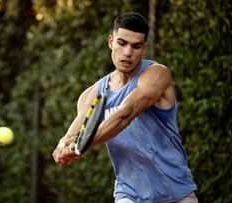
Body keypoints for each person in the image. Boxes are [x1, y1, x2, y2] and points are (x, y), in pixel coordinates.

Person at [52, 12, 198, 203]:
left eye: (136, 46)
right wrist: (62, 147)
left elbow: (125, 115)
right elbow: (75, 131)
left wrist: (80, 145)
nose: (128, 52)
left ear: (144, 48)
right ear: (111, 42)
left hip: (176, 192)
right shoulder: (92, 94)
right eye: (122, 43)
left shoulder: (157, 75)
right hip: (129, 193)